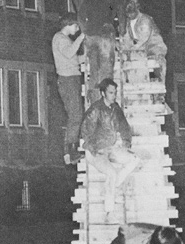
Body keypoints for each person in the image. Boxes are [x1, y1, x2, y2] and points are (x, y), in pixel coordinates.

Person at [80, 78, 141, 221]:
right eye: (111, 93)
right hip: (95, 152)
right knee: (112, 174)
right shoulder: (95, 110)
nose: (114, 95)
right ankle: (109, 212)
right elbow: (85, 133)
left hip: (110, 148)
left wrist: (126, 141)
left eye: (115, 92)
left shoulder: (115, 108)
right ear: (103, 93)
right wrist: (95, 149)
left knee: (135, 159)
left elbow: (124, 126)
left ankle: (112, 186)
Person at [52, 13, 86, 165]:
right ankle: (70, 150)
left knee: (76, 114)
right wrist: (82, 37)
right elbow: (68, 53)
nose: (77, 29)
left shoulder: (65, 40)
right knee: (76, 115)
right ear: (68, 24)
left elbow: (72, 59)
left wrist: (85, 57)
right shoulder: (60, 38)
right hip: (68, 80)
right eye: (75, 26)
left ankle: (70, 150)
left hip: (71, 79)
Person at [121, 0, 167, 83]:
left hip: (154, 48)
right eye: (128, 13)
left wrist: (132, 49)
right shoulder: (129, 22)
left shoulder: (145, 20)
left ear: (136, 10)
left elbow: (143, 38)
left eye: (131, 13)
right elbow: (127, 37)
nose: (129, 15)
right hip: (143, 50)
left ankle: (158, 84)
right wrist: (123, 47)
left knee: (155, 72)